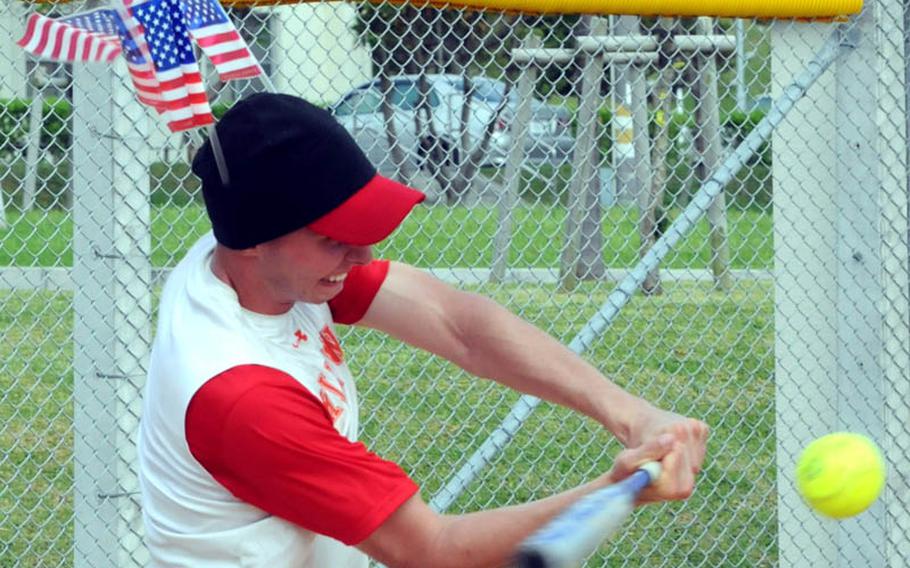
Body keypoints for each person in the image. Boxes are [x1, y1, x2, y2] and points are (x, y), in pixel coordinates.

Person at [138, 92, 709, 568]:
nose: (362, 253)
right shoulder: (239, 395)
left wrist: (629, 413)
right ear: (257, 238)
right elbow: (433, 549)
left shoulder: (253, 261)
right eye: (334, 236)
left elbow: (459, 324)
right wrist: (612, 490)